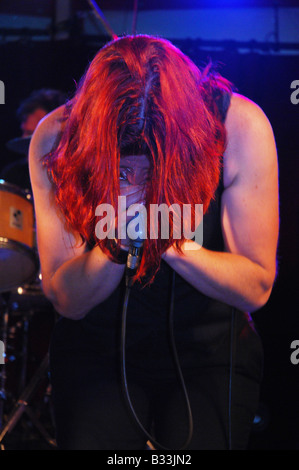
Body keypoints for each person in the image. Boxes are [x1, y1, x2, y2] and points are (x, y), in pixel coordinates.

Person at [28, 35, 279, 450]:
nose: (140, 181)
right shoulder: (57, 137)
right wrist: (118, 243)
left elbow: (255, 287)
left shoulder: (239, 124)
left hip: (210, 350)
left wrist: (170, 241)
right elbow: (66, 299)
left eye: (153, 167)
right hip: (96, 352)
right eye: (125, 170)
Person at [1, 89, 67, 190]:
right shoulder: (13, 175)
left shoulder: (72, 175)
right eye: (25, 132)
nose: (24, 139)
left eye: (31, 133)